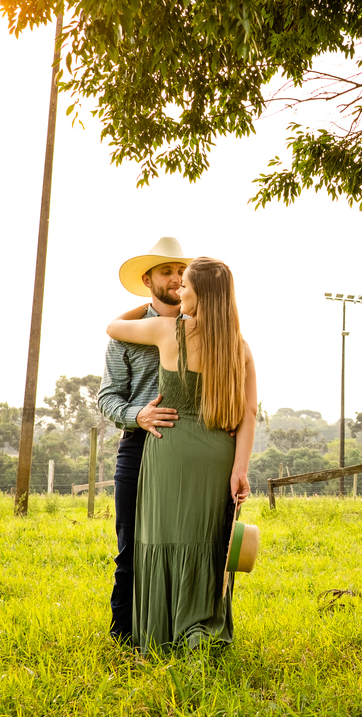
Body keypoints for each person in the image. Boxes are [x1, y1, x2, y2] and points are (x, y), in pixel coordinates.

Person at [107, 256, 257, 653]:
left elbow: (113, 326)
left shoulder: (167, 330)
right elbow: (248, 414)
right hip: (218, 457)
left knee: (160, 540)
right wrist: (239, 469)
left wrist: (148, 301)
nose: (180, 291)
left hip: (169, 449)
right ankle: (200, 629)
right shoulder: (239, 348)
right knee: (209, 544)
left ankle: (160, 633)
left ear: (201, 294)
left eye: (186, 286)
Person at [98, 237, 191, 644]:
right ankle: (123, 636)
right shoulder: (124, 334)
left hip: (190, 448)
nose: (175, 278)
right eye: (166, 271)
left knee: (185, 543)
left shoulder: (198, 326)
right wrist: (138, 414)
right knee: (131, 544)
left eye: (180, 271)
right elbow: (107, 395)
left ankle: (181, 629)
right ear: (148, 278)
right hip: (137, 447)